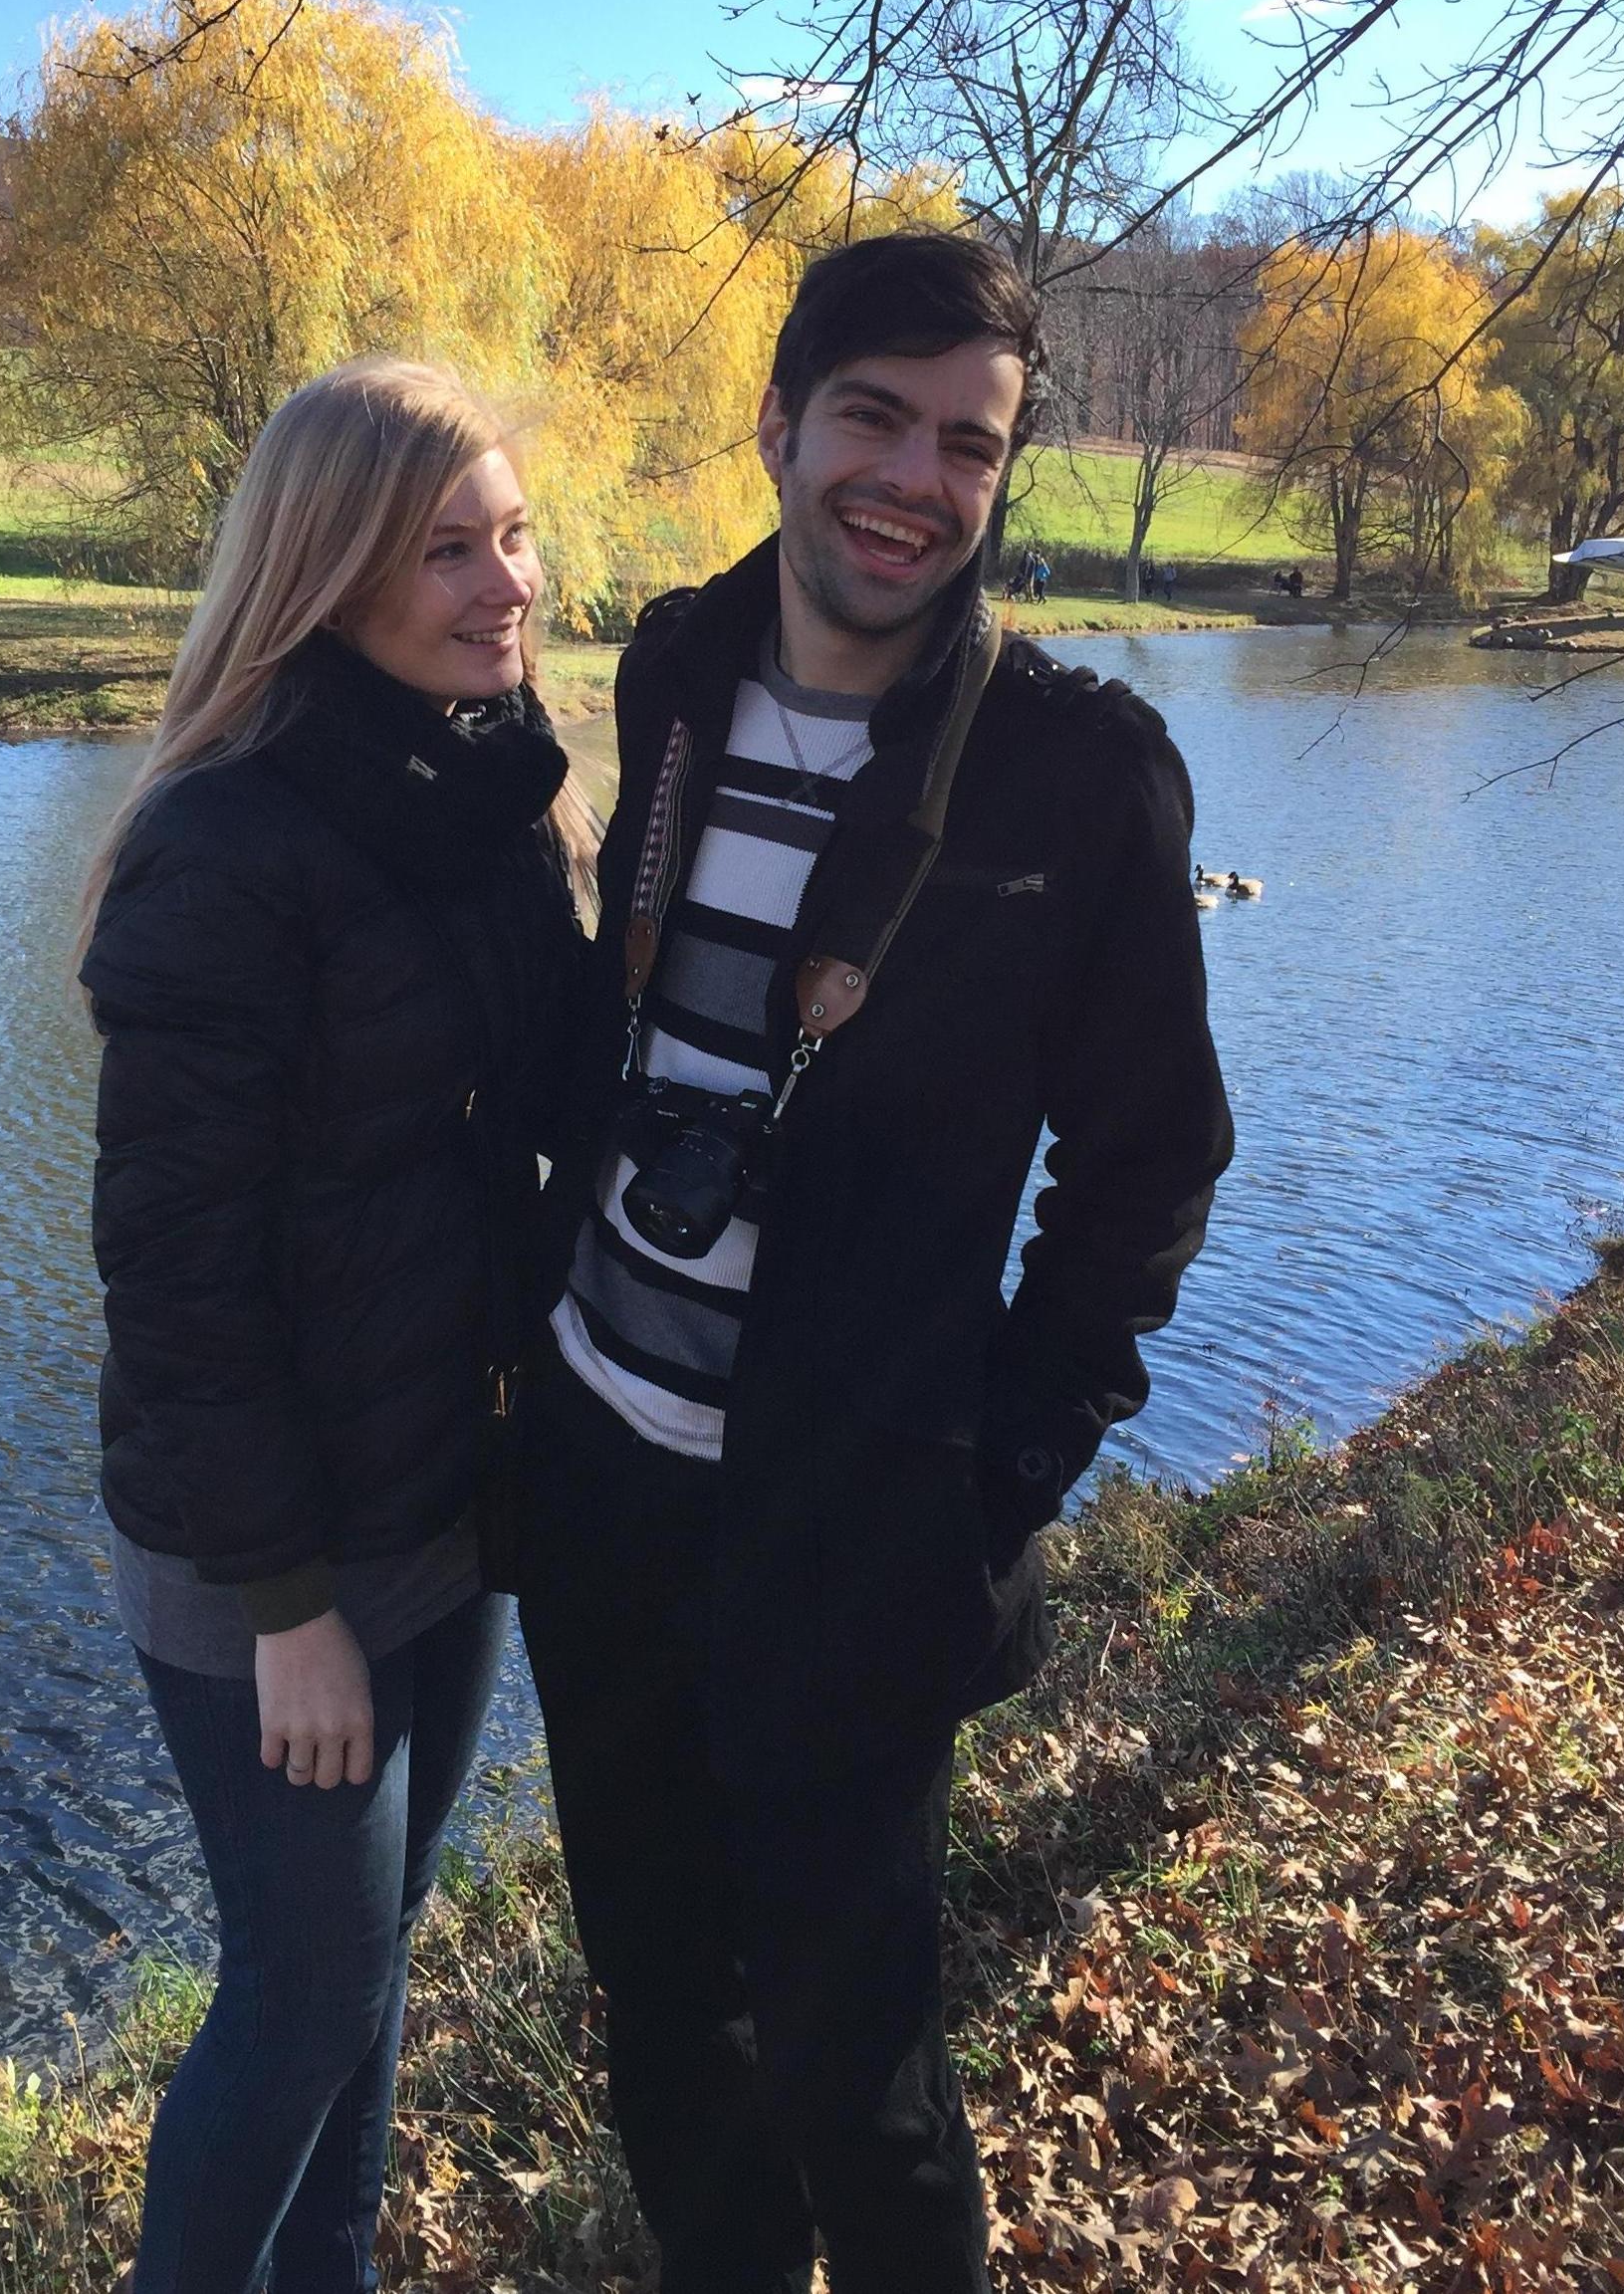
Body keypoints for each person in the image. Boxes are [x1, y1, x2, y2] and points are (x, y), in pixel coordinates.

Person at [512, 230, 1234, 2290]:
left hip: (861, 1516)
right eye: (874, 418)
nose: (915, 476)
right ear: (779, 423)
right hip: (602, 1484)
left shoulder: (1079, 771)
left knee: (861, 2066)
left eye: (968, 443)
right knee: (665, 2017)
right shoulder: (667, 668)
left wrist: (997, 1471)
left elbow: (1148, 1159)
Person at [80, 357, 590, 2292]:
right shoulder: (226, 846)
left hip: (439, 1491)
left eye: (514, 534)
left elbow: (547, 1114)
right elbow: (179, 1279)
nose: (505, 580)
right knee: (301, 1997)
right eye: (447, 547)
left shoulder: (483, 792)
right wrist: (287, 1601)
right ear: (330, 569)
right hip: (264, 1549)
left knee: (370, 1967)